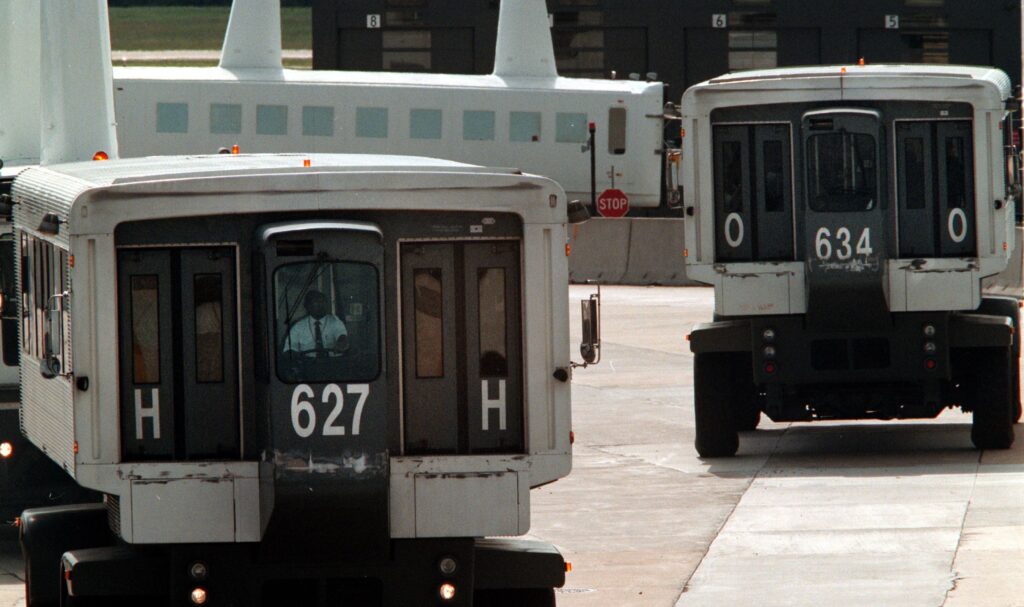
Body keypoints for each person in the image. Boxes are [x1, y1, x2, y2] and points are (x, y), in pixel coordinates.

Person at [283, 289, 349, 357]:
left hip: (332, 363)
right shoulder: (298, 327)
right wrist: (294, 354)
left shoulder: (335, 322)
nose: (320, 305)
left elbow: (342, 336)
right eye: (316, 302)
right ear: (307, 306)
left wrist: (341, 343)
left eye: (323, 301)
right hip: (307, 365)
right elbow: (289, 349)